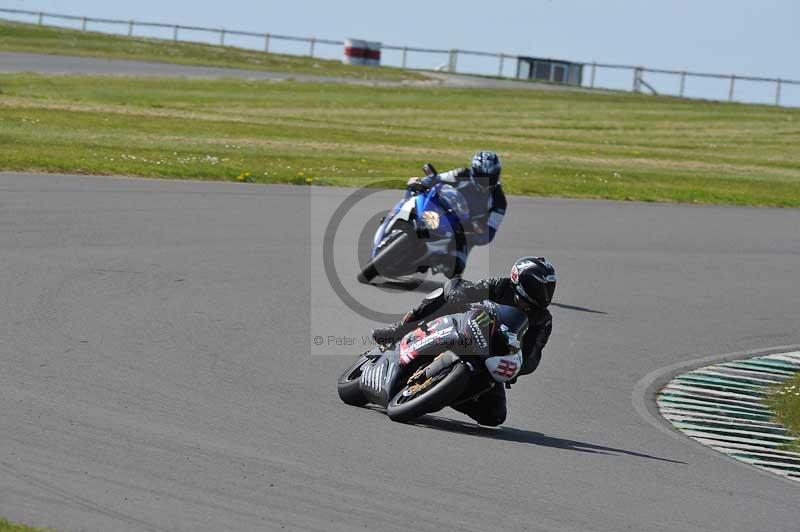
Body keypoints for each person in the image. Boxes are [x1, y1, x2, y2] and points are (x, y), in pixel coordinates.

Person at [373, 257, 556, 426]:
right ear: (520, 280)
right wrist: (457, 293)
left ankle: (444, 391)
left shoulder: (543, 320)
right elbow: (463, 286)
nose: (544, 294)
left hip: (491, 359)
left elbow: (532, 357)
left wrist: (515, 366)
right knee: (441, 295)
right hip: (465, 329)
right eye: (538, 286)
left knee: (495, 415)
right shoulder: (501, 286)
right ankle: (399, 330)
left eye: (549, 288)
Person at [407, 151, 507, 274]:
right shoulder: (461, 174)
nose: (486, 181)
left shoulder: (499, 201)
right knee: (415, 196)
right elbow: (437, 179)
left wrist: (476, 235)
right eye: (481, 176)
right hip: (443, 212)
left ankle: (429, 262)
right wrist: (421, 183)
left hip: (463, 232)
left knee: (456, 267)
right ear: (474, 172)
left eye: (490, 177)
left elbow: (490, 232)